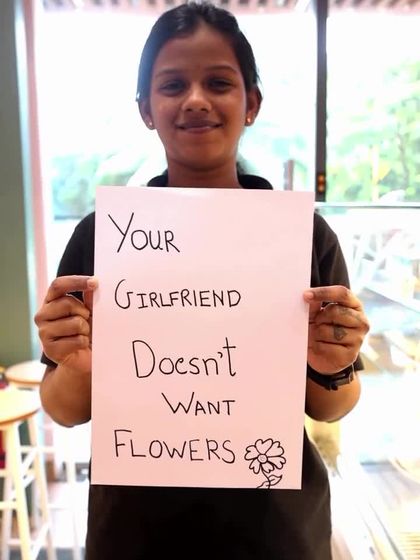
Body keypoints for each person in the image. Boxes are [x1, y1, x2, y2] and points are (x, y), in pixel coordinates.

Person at [34, 3, 369, 558]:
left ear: (251, 103)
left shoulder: (303, 235)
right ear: (146, 109)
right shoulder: (104, 236)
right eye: (172, 85)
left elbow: (330, 407)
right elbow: (66, 410)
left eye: (218, 83)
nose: (195, 100)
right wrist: (76, 361)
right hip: (136, 531)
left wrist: (332, 364)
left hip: (274, 530)